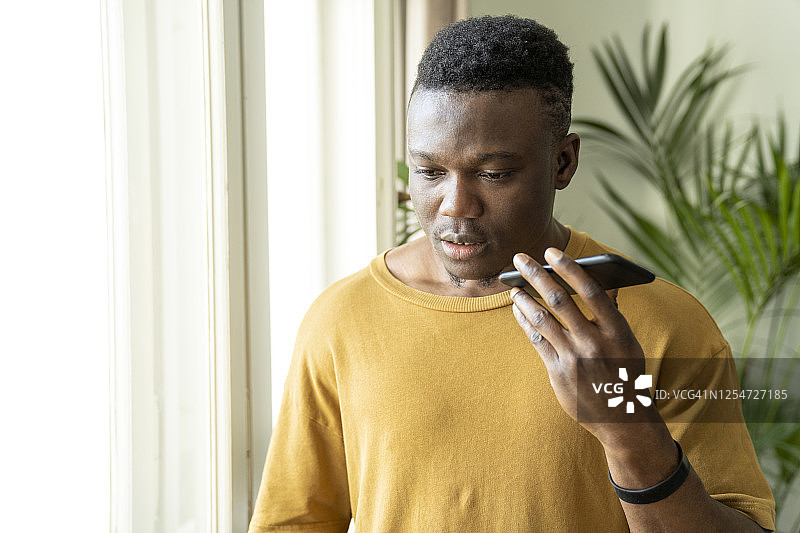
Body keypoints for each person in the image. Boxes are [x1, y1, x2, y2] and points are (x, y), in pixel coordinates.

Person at [248, 15, 775, 532]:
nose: (455, 206)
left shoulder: (662, 323)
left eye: (494, 174)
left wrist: (626, 425)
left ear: (563, 163)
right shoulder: (343, 319)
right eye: (429, 171)